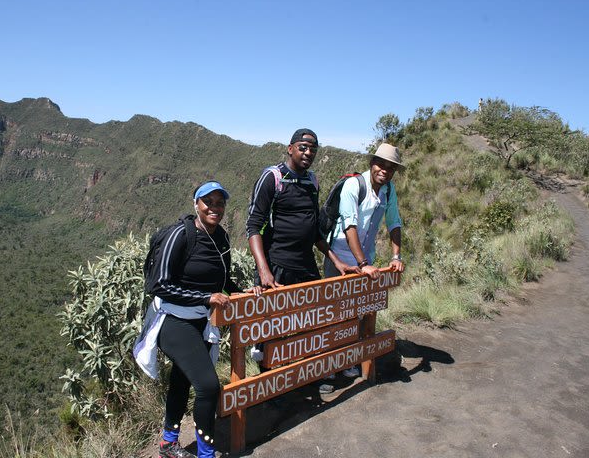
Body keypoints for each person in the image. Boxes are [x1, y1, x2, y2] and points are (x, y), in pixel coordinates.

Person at [134, 181, 254, 458]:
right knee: (209, 386)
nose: (214, 207)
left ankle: (168, 441)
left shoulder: (220, 237)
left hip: (200, 320)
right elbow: (158, 285)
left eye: (219, 203)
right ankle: (206, 454)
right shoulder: (179, 235)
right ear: (196, 204)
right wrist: (205, 298)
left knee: (182, 378)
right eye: (208, 202)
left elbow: (220, 278)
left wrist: (238, 291)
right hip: (172, 319)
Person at [245, 128, 356, 367]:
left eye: (313, 149)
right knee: (270, 331)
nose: (308, 153)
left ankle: (302, 376)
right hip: (276, 265)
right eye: (303, 147)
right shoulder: (272, 178)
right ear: (290, 148)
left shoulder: (311, 180)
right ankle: (269, 388)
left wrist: (336, 261)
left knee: (309, 324)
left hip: (304, 265)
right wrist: (264, 270)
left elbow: (314, 228)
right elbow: (253, 226)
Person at [320, 143, 406, 392]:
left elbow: (394, 222)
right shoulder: (353, 185)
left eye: (391, 168)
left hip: (364, 257)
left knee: (355, 311)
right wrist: (363, 265)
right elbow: (350, 226)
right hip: (340, 258)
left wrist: (396, 256)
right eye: (381, 164)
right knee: (334, 313)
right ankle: (327, 371)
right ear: (372, 162)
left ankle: (347, 360)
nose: (385, 170)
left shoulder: (388, 190)